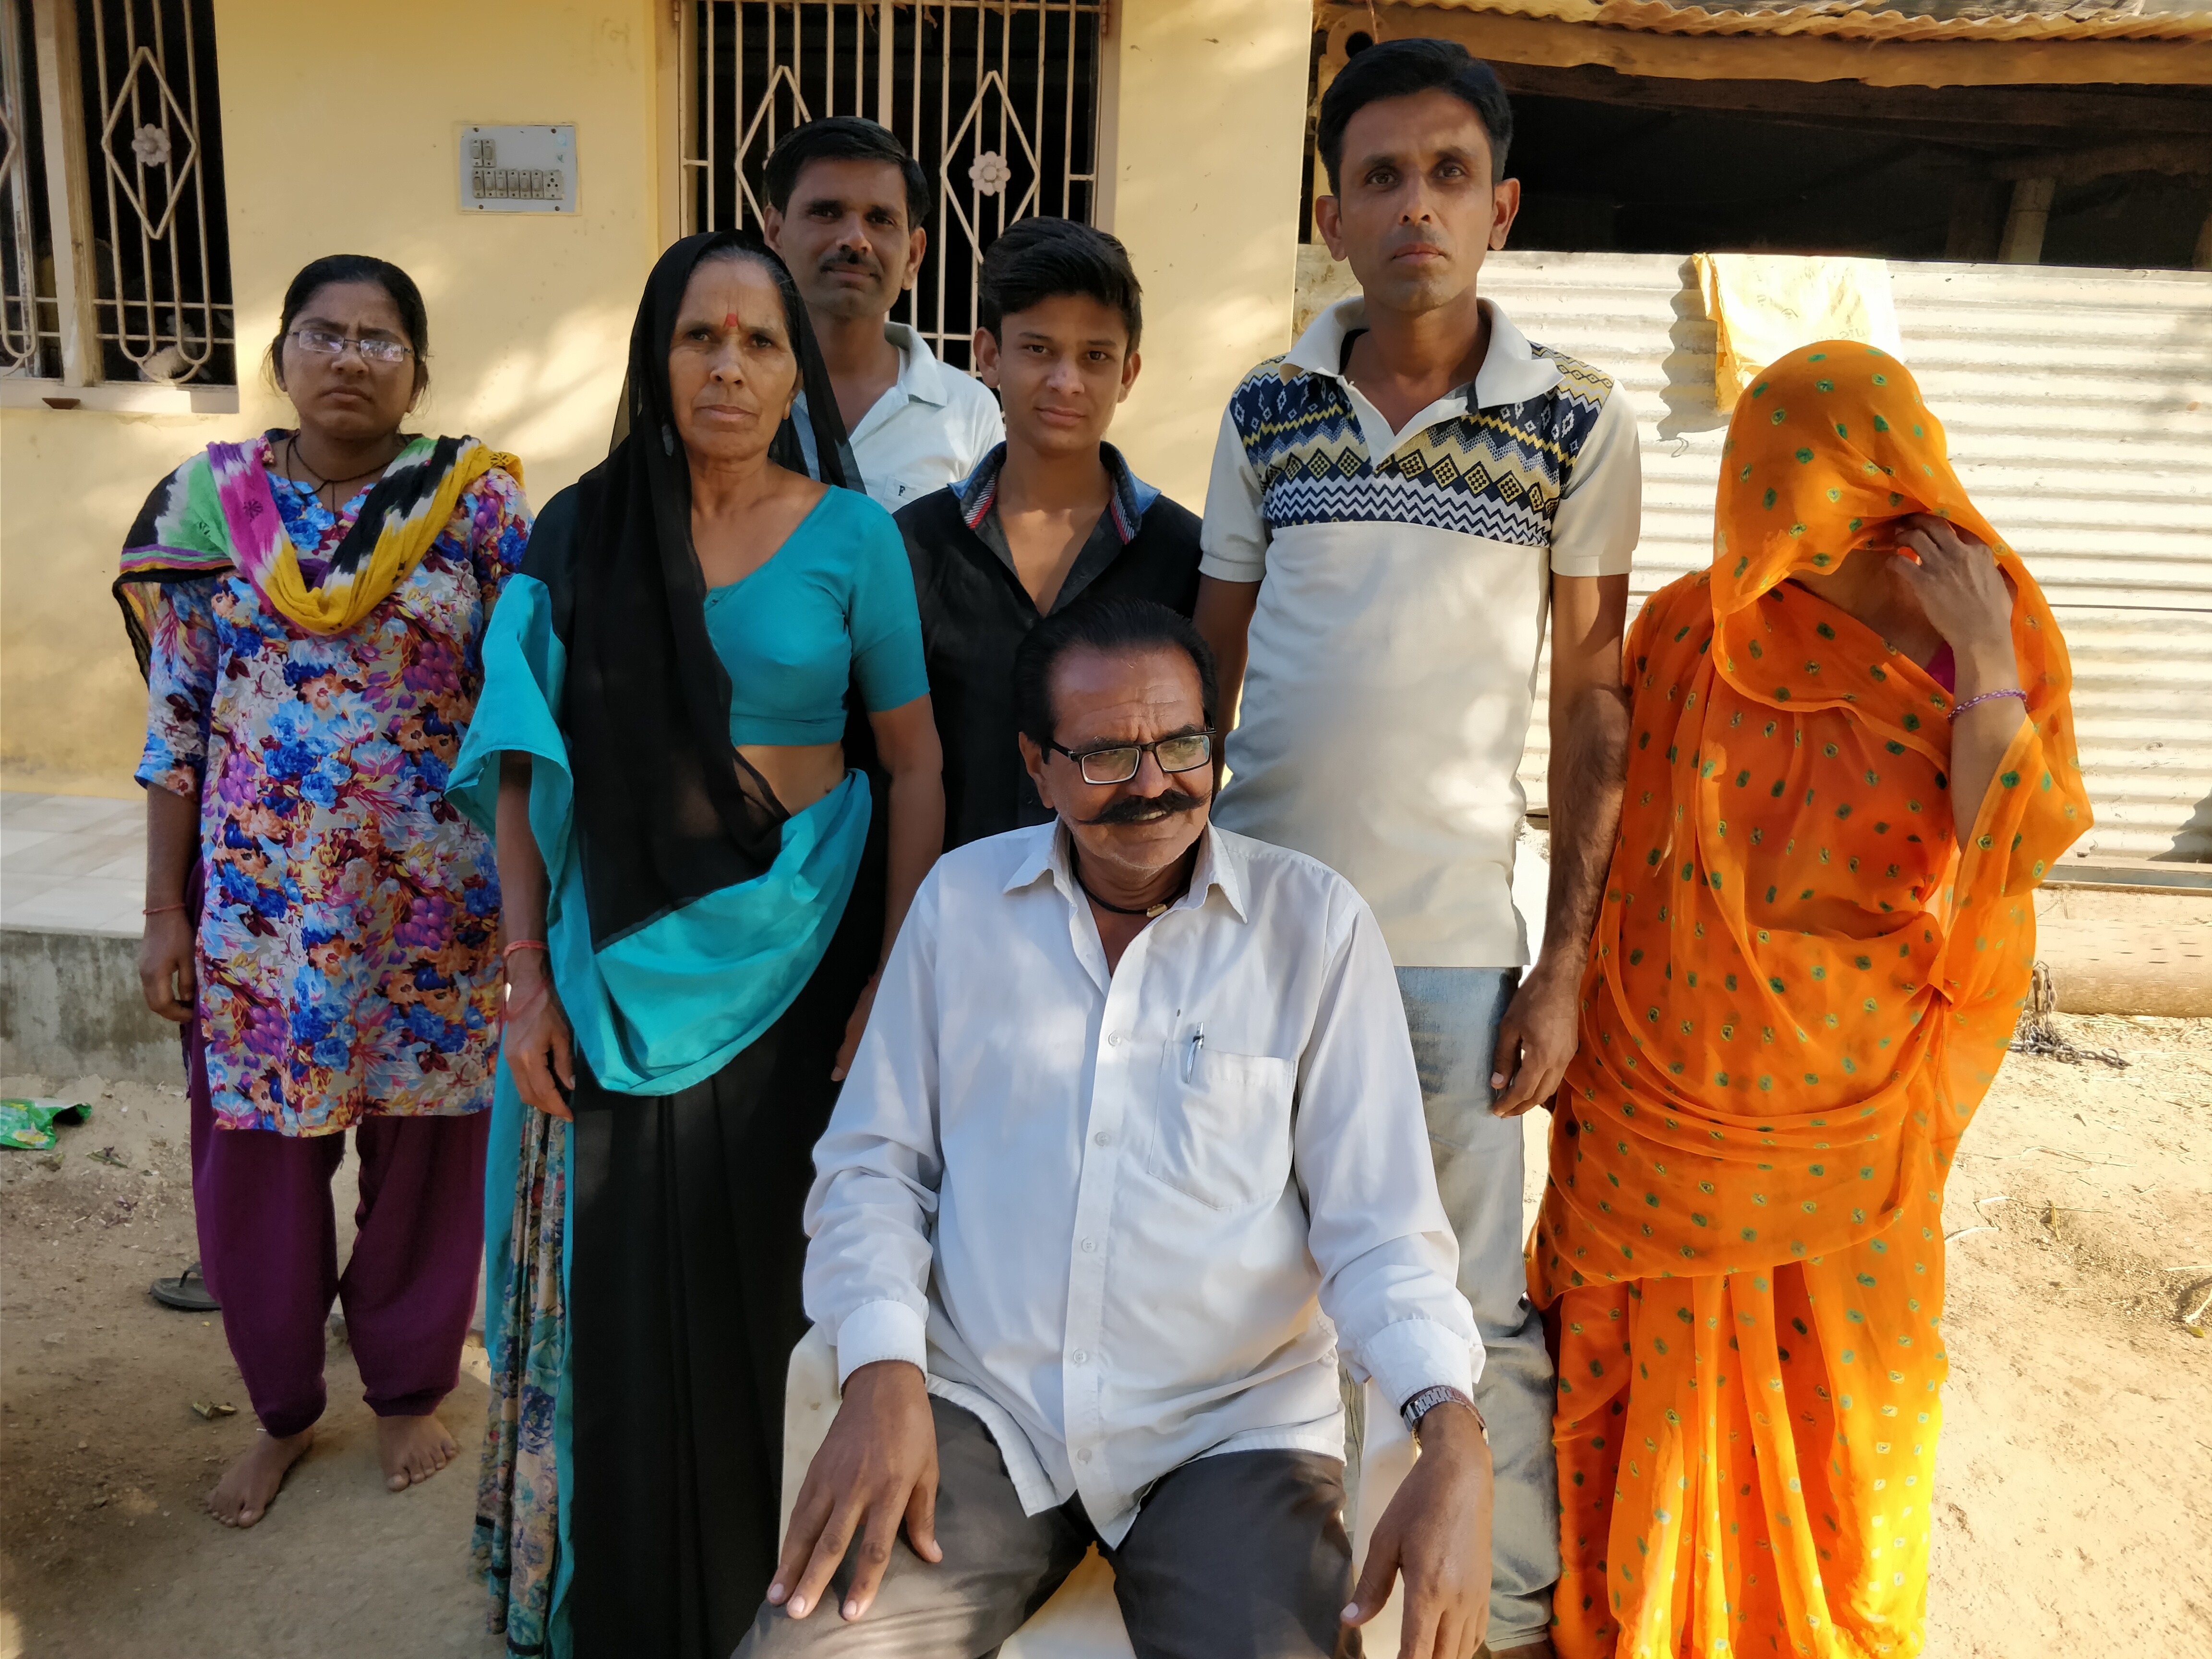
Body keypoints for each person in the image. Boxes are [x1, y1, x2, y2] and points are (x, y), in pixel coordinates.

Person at [738, 597, 1494, 1659]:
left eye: (1182, 743)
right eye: (1104, 756)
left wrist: (1451, 1431)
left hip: (1229, 1436)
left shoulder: (1313, 930)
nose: (1153, 784)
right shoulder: (961, 910)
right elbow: (874, 1169)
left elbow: (1379, 1231)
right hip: (982, 1417)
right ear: (1036, 765)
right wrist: (881, 1372)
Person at [1532, 344, 2088, 1657]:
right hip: (1660, 1102)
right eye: (1770, 472)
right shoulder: (1688, 625)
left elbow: (2004, 851)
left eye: (1821, 474)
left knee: (1847, 1394)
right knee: (1634, 1384)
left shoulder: (1981, 618)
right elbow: (1617, 827)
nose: (1783, 504)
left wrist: (1983, 654)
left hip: (1845, 1108)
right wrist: (1561, 973)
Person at [1191, 38, 1641, 1656]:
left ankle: (1491, 1609)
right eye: (1377, 176)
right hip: (1254, 933)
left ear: (1500, 204)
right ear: (1329, 210)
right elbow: (1210, 669)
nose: (1412, 206)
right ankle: (1288, 1592)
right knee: (1261, 1281)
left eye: (1446, 173)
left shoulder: (1573, 423)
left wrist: (1567, 958)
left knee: (1461, 1304)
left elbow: (1592, 702)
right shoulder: (1266, 408)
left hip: (1453, 949)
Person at [448, 230, 944, 1658]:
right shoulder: (578, 533)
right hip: (610, 977)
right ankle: (623, 1605)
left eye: (759, 342)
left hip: (808, 957)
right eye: (698, 337)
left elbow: (911, 765)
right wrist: (527, 977)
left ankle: (770, 1603)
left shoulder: (855, 540)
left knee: (775, 1297)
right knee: (622, 1307)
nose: (727, 367)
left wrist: (894, 989)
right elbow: (527, 769)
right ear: (656, 358)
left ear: (798, 369)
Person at [117, 253, 532, 1528]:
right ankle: (285, 1412)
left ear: (418, 368)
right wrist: (164, 911)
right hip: (262, 920)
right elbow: (176, 722)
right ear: (281, 355)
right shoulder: (208, 505)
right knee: (257, 1167)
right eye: (325, 333)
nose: (352, 357)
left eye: (381, 338)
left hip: (435, 909)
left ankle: (408, 1387)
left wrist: (534, 906)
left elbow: (523, 701)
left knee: (429, 1154)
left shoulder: (477, 505)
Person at [898, 216, 1202, 848]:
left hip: (1121, 926)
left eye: (1095, 357)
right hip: (950, 916)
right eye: (1038, 349)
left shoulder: (1183, 556)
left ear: (1127, 374)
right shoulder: (914, 546)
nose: (1066, 381)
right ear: (988, 356)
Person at [763, 115, 1003, 511]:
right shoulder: (734, 392)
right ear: (775, 234)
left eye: (880, 219)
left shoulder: (969, 412)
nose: (855, 240)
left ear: (913, 255)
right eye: (827, 212)